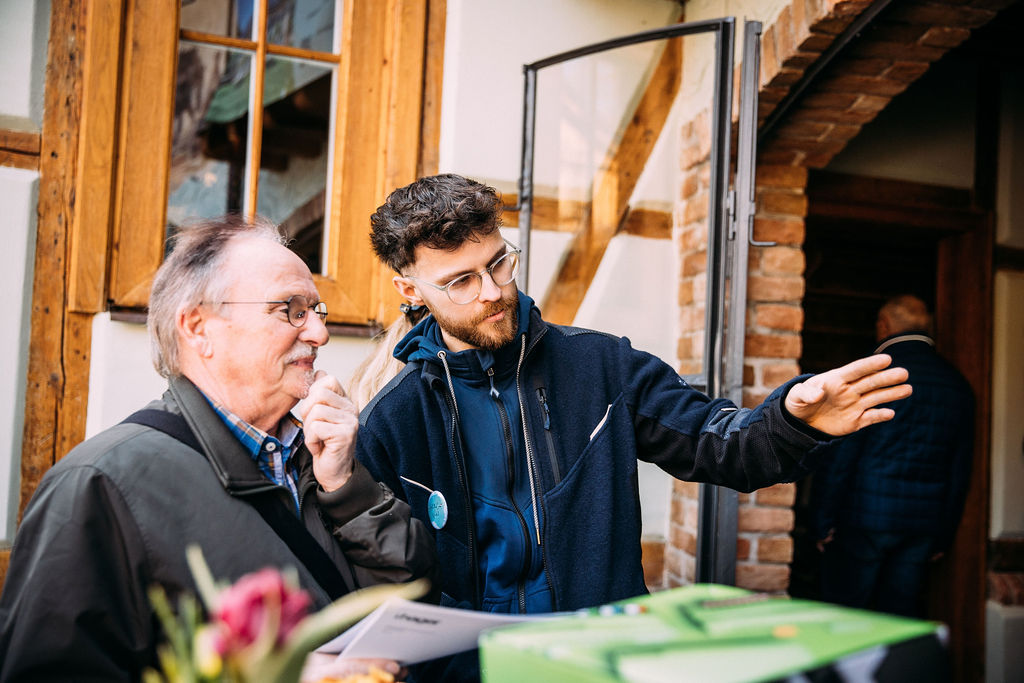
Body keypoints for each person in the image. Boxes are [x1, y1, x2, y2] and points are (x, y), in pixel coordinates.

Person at [354, 174, 912, 679]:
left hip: (603, 660)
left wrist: (792, 419)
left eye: (500, 263)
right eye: (461, 282)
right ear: (411, 291)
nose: (494, 291)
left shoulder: (603, 366)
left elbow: (724, 446)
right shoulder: (393, 420)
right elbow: (380, 579)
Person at [0, 216, 437, 681]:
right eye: (290, 309)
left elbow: (411, 605)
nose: (319, 334)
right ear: (198, 327)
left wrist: (346, 487)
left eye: (317, 311)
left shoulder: (321, 457)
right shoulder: (97, 483)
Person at [812, 295, 974, 618]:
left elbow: (842, 456)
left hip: (864, 518)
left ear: (883, 326)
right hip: (922, 525)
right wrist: (944, 534)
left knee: (845, 615)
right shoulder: (957, 385)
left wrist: (822, 519)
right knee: (898, 618)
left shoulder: (874, 379)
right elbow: (960, 470)